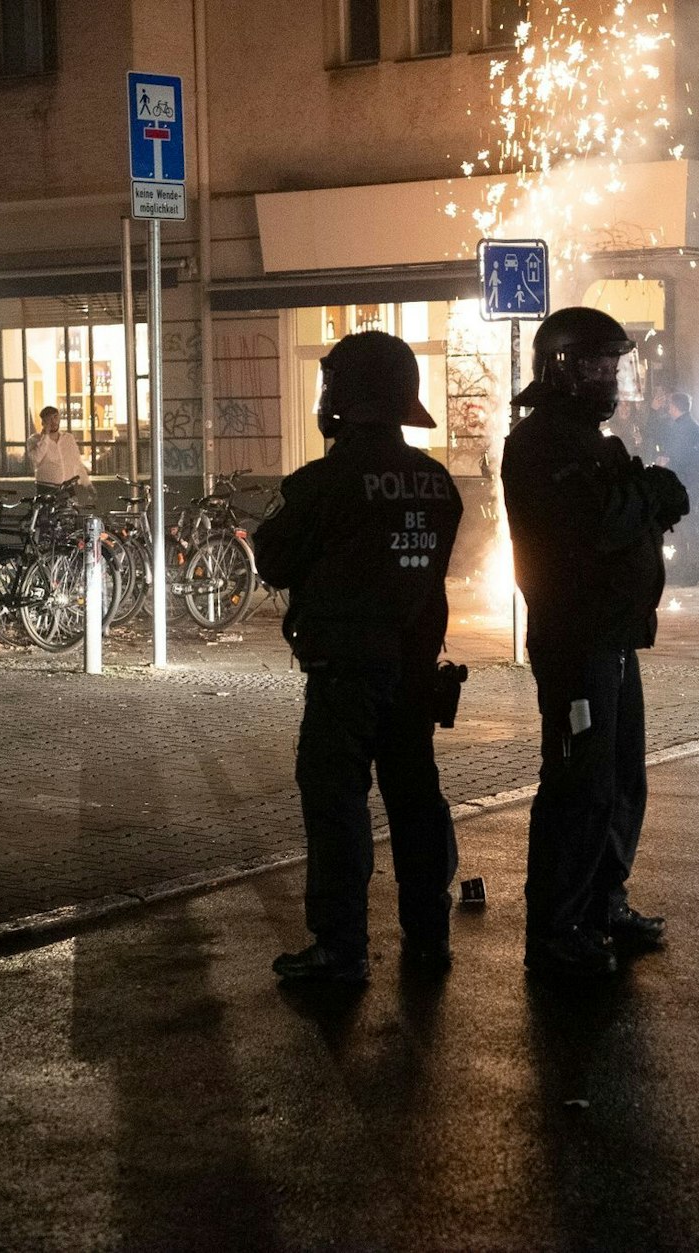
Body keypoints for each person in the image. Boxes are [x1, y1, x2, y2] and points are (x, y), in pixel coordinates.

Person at [254, 331, 464, 983]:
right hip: (414, 670)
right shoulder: (437, 483)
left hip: (344, 671)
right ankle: (428, 932)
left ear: (347, 395)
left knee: (337, 802)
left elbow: (273, 558)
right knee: (416, 798)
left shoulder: (323, 482)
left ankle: (340, 947)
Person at [501, 306, 688, 980]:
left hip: (610, 638)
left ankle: (603, 905)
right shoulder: (539, 443)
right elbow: (596, 523)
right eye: (598, 366)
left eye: (615, 366)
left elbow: (621, 511)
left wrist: (646, 494)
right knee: (577, 784)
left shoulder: (590, 440)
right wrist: (650, 494)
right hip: (573, 640)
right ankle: (557, 927)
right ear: (563, 369)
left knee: (619, 778)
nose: (611, 378)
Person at [653, 391, 699, 582]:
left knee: (687, 524)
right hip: (688, 482)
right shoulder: (691, 427)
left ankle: (689, 568)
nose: (668, 409)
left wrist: (666, 462)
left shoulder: (685, 429)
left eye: (669, 405)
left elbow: (681, 457)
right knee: (685, 524)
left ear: (675, 406)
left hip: (685, 483)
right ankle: (686, 566)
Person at [26, 406, 89, 498]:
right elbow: (36, 459)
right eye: (49, 419)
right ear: (43, 422)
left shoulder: (68, 438)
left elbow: (77, 461)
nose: (53, 421)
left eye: (55, 417)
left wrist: (87, 483)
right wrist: (46, 436)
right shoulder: (34, 440)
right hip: (46, 487)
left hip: (68, 487)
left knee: (71, 507)